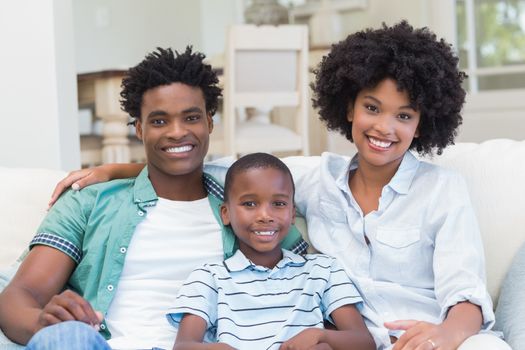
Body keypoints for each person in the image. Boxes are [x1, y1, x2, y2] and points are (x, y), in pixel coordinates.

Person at [42, 21, 511, 349]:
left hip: (431, 335)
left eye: (404, 116)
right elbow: (210, 164)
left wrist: (446, 336)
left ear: (423, 122)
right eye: (372, 108)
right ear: (348, 108)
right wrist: (113, 170)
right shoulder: (315, 178)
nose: (384, 127)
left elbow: (465, 293)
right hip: (350, 340)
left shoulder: (442, 189)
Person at [0, 47, 306, 350]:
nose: (177, 132)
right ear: (139, 129)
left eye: (191, 117)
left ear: (210, 123)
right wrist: (45, 325)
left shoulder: (252, 206)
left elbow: (307, 288)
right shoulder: (88, 202)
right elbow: (20, 297)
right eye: (159, 121)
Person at [168, 152, 375, 350]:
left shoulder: (323, 270)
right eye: (249, 204)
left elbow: (363, 342)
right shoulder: (209, 278)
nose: (265, 215)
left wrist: (319, 335)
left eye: (278, 204)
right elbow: (184, 345)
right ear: (226, 213)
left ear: (292, 213)